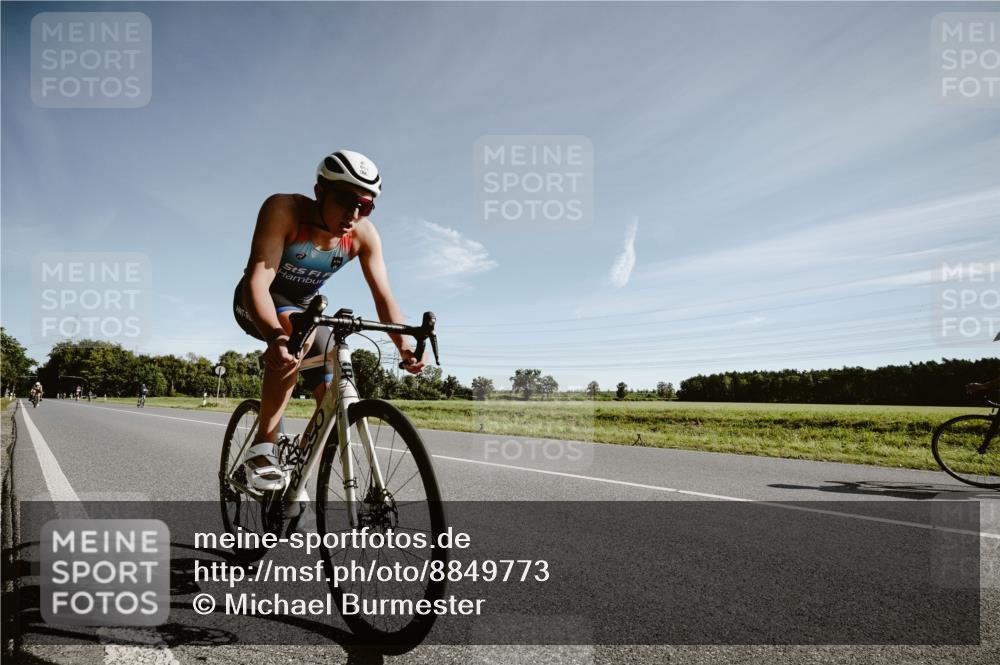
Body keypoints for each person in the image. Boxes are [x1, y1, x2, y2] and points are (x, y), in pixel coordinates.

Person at [233, 150, 425, 491]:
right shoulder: (285, 210)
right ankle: (264, 448)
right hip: (258, 301)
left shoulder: (363, 236)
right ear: (320, 191)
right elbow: (257, 281)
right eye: (346, 201)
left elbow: (383, 296)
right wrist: (277, 337)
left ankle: (296, 475)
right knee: (299, 332)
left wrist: (405, 346)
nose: (354, 214)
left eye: (364, 206)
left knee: (332, 399)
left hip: (307, 311)